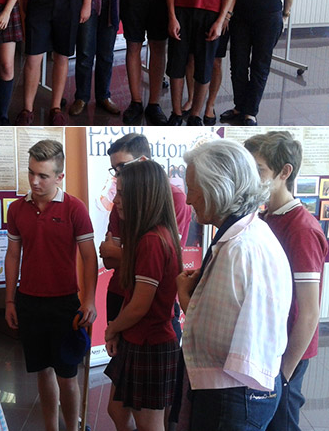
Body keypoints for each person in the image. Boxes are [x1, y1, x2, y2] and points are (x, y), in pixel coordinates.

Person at [176, 140, 292, 431]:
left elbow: (219, 336)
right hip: (236, 393)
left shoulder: (240, 247)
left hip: (233, 397)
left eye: (193, 188)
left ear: (217, 187)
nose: (188, 200)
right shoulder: (248, 233)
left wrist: (185, 298)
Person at [99, 133, 191, 431]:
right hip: (137, 337)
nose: (117, 199)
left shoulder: (152, 240)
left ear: (143, 194)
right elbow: (112, 261)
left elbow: (139, 305)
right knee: (117, 409)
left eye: (124, 193)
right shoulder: (148, 236)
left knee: (149, 423)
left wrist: (112, 327)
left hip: (151, 340)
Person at [4, 139, 97, 431]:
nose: (34, 180)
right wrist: (9, 301)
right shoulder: (17, 209)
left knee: (67, 375)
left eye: (43, 175)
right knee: (42, 371)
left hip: (64, 303)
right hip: (29, 301)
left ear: (59, 177)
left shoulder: (75, 209)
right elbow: (13, 254)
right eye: (31, 172)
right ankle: (50, 428)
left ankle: (72, 428)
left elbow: (89, 256)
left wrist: (90, 300)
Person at [244, 131, 328, 431]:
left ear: (284, 172)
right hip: (268, 347)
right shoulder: (267, 217)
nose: (252, 179)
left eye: (259, 170)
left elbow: (308, 312)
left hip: (287, 354)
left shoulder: (302, 228)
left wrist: (285, 372)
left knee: (283, 423)